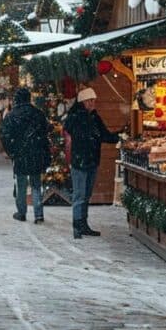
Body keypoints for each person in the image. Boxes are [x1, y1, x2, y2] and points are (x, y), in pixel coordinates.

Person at [63, 87, 121, 239]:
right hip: (80, 161)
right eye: (90, 100)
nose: (93, 103)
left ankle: (83, 224)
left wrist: (119, 136)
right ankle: (77, 226)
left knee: (86, 194)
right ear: (83, 101)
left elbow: (104, 135)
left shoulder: (94, 117)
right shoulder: (75, 116)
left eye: (94, 100)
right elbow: (72, 130)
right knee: (79, 195)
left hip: (92, 160)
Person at [0, 88, 52, 224]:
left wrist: (11, 151)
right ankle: (38, 215)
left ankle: (21, 212)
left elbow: (4, 134)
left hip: (20, 154)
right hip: (36, 152)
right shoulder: (38, 114)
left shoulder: (11, 115)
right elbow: (46, 131)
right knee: (36, 184)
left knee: (21, 184)